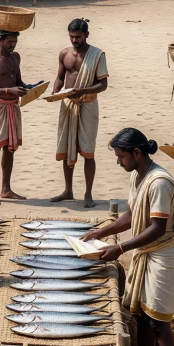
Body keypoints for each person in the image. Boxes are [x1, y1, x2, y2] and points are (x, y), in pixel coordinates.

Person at [82, 128, 174, 346]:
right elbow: (132, 213)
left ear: (136, 153)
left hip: (163, 256)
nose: (118, 161)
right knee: (141, 319)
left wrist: (122, 248)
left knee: (160, 324)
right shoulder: (139, 176)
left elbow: (157, 228)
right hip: (147, 253)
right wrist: (103, 231)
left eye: (121, 157)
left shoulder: (159, 182)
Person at [50, 18, 110, 208]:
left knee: (88, 151)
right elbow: (60, 77)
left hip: (87, 105)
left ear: (86, 35)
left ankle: (88, 194)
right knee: (68, 148)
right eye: (71, 37)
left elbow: (103, 84)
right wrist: (55, 92)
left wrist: (83, 91)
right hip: (67, 104)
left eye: (78, 37)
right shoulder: (64, 54)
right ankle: (68, 190)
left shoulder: (97, 55)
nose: (74, 40)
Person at [0, 30, 31, 205]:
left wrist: (30, 89)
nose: (13, 45)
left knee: (10, 149)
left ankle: (6, 189)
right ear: (0, 40)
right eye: (10, 41)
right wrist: (7, 91)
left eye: (15, 41)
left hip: (13, 105)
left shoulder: (15, 57)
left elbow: (18, 80)